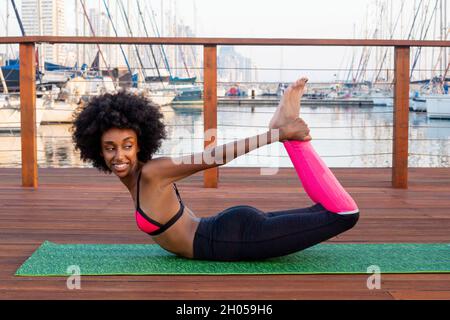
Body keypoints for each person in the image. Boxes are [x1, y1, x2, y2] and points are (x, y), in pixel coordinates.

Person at [72, 77, 359, 261]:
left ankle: (287, 134)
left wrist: (277, 136)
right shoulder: (135, 177)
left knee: (344, 214)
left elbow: (212, 157)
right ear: (98, 150)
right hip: (224, 230)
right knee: (324, 213)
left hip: (232, 240)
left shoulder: (153, 173)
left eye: (127, 145)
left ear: (139, 145)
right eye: (110, 147)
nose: (119, 155)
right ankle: (283, 129)